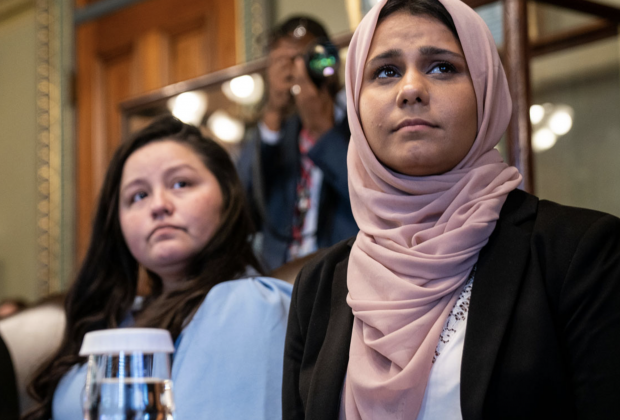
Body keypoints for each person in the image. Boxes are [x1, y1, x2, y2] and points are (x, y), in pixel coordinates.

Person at [282, 0, 620, 419]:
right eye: (385, 71)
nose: (411, 89)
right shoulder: (320, 285)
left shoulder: (579, 253)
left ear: (486, 91)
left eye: (441, 66)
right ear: (355, 99)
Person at [24, 116, 292, 420]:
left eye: (181, 183)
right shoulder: (119, 315)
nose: (159, 205)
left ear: (227, 196)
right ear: (118, 224)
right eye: (138, 195)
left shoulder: (245, 305)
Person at [237, 16, 358, 271]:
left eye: (306, 57)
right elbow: (243, 209)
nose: (296, 69)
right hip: (280, 274)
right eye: (284, 61)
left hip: (341, 271)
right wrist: (272, 114)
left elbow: (371, 199)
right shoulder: (279, 131)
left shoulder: (359, 121)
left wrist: (323, 130)